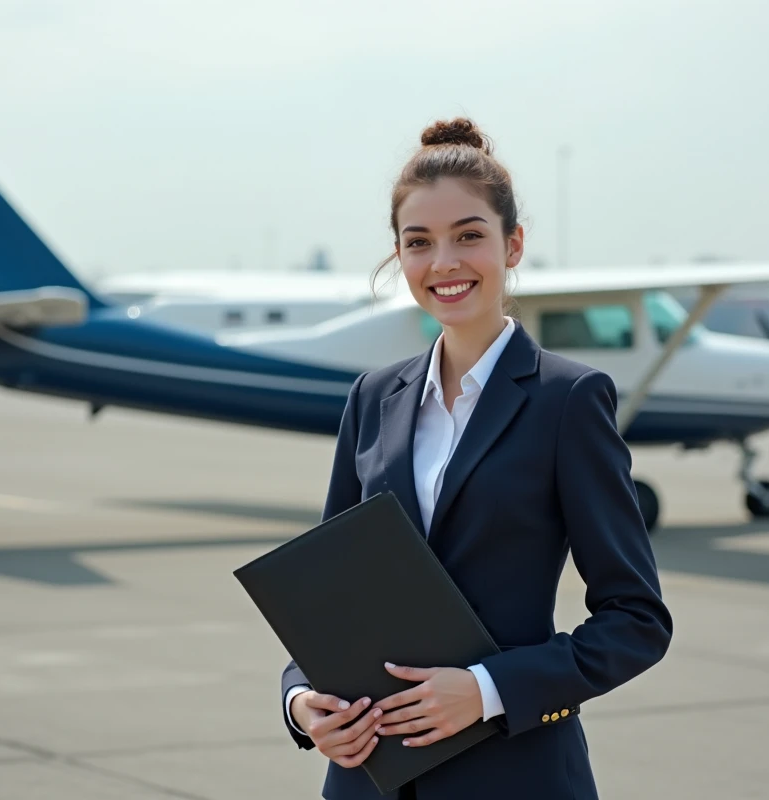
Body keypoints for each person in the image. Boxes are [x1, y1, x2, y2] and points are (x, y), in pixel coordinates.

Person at [279, 118, 673, 800]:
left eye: (468, 235)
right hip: (369, 778)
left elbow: (637, 621)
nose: (443, 263)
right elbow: (328, 599)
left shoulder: (568, 399)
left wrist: (488, 689)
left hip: (512, 775)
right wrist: (302, 701)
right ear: (399, 256)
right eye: (419, 242)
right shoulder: (373, 398)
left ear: (512, 244)